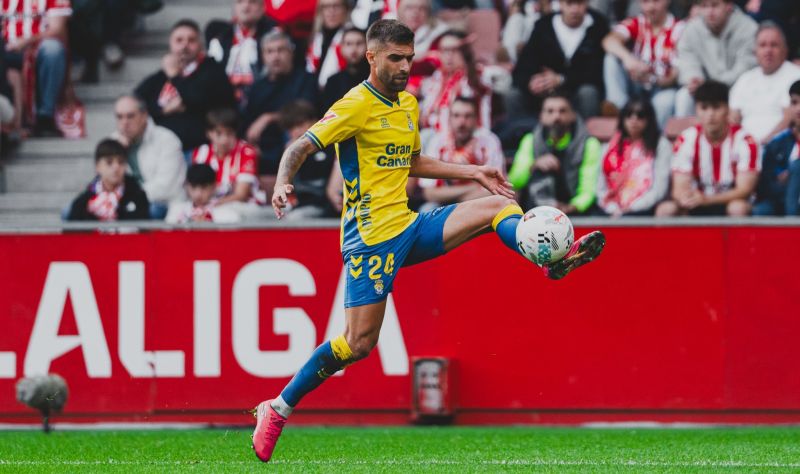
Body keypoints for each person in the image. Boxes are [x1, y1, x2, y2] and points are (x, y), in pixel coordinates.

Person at [251, 19, 606, 463]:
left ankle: (549, 259)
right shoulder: (354, 105)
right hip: (370, 241)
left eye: (409, 58)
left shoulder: (407, 104)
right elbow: (298, 148)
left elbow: (413, 161)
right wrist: (283, 182)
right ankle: (277, 408)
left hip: (408, 225)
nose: (404, 67)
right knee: (357, 345)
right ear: (372, 57)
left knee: (495, 205)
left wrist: (474, 172)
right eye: (395, 58)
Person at [656, 81, 761, 217]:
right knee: (666, 210)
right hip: (697, 202)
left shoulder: (745, 140)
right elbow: (678, 189)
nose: (710, 114)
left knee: (737, 208)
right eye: (704, 108)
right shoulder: (686, 139)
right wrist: (687, 198)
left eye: (716, 107)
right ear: (696, 110)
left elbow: (744, 189)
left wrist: (708, 200)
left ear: (727, 109)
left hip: (729, 202)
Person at [134, 19, 236, 153]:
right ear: (170, 44)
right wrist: (163, 111)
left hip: (199, 149)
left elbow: (197, 97)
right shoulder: (161, 76)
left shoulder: (213, 70)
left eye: (191, 40)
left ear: (200, 45)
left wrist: (174, 76)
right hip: (161, 150)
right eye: (179, 40)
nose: (185, 45)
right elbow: (136, 103)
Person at [241, 31, 318, 193]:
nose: (275, 56)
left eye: (281, 50)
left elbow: (305, 115)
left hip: (294, 141)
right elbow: (248, 126)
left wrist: (268, 118)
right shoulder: (257, 88)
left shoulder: (306, 79)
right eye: (270, 51)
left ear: (291, 53)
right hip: (265, 147)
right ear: (263, 56)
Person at [511, 0, 610, 119]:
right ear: (560, 4)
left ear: (587, 3)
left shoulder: (599, 26)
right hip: (545, 92)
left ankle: (585, 135)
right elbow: (524, 64)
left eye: (579, 3)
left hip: (577, 92)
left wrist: (562, 79)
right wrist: (532, 81)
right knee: (513, 94)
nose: (574, 10)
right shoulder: (544, 25)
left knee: (588, 92)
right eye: (569, 3)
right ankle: (520, 132)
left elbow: (598, 72)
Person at [507, 91, 602, 215]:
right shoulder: (530, 140)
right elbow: (514, 181)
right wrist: (534, 165)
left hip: (576, 213)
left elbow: (589, 189)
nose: (556, 117)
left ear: (573, 115)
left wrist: (572, 207)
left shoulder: (589, 144)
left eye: (562, 111)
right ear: (541, 115)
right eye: (550, 111)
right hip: (536, 213)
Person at [602, 0, 684, 128]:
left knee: (664, 103)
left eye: (656, 1)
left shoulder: (680, 28)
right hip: (636, 84)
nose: (651, 7)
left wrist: (653, 78)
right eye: (646, 1)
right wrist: (629, 60)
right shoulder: (636, 23)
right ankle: (618, 107)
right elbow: (608, 41)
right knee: (611, 59)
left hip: (663, 88)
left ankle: (653, 140)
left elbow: (676, 75)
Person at [419, 96, 506, 209]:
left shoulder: (488, 141)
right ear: (449, 118)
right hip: (446, 204)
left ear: (476, 119)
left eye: (468, 116)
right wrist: (473, 187)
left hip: (477, 204)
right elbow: (429, 193)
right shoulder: (439, 141)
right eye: (456, 115)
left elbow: (495, 189)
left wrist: (456, 203)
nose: (462, 122)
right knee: (427, 209)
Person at [674, 0, 758, 117]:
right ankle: (687, 135)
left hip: (737, 88)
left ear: (729, 6)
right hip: (704, 89)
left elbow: (746, 68)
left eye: (715, 5)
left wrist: (712, 86)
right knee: (684, 96)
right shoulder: (692, 28)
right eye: (704, 6)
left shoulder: (748, 27)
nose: (709, 12)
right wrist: (694, 79)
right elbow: (687, 59)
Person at [2, 0, 70, 136]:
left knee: (53, 49)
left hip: (38, 47)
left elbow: (57, 29)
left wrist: (25, 41)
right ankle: (12, 122)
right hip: (5, 48)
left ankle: (45, 116)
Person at [111, 95, 186, 220]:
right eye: (119, 117)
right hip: (127, 202)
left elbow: (165, 187)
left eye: (130, 116)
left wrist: (128, 197)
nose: (124, 122)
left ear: (144, 115)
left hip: (164, 204)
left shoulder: (167, 139)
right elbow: (104, 182)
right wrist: (118, 152)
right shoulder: (113, 142)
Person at [596, 98, 672, 217]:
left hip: (645, 208)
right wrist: (612, 208)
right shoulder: (609, 146)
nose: (634, 119)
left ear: (649, 119)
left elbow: (659, 189)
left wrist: (630, 208)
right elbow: (600, 187)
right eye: (629, 115)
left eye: (640, 115)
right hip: (610, 208)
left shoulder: (661, 144)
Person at [729, 22, 800, 144]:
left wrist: (763, 145)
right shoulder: (745, 79)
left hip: (779, 148)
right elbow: (732, 117)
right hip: (745, 150)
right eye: (762, 45)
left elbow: (790, 119)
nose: (768, 50)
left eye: (774, 45)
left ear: (785, 50)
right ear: (755, 51)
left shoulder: (795, 75)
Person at [192, 108, 267, 221]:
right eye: (219, 134)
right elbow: (197, 189)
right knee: (178, 213)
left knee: (223, 215)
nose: (224, 139)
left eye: (229, 133)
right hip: (210, 205)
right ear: (209, 133)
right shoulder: (201, 153)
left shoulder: (246, 152)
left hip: (246, 206)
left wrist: (210, 206)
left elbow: (241, 195)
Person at [418, 30, 492, 138]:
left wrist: (468, 61)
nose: (449, 56)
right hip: (435, 137)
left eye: (454, 50)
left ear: (464, 52)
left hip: (472, 138)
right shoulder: (437, 77)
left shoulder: (477, 74)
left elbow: (498, 78)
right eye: (444, 51)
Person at [206, 0, 280, 103]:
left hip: (264, 99)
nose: (246, 6)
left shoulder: (276, 35)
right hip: (225, 100)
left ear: (263, 8)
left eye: (252, 2)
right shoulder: (221, 37)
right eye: (240, 2)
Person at [277, 100, 337, 219]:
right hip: (297, 206)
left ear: (314, 121)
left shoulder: (331, 147)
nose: (297, 132)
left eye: (300, 125)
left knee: (293, 218)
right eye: (291, 129)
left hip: (324, 207)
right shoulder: (290, 152)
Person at [66, 139, 150, 221]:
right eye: (109, 162)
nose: (116, 167)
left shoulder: (138, 196)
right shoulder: (83, 203)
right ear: (97, 166)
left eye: (121, 162)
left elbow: (145, 231)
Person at [753, 80, 800, 216]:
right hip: (781, 200)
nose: (798, 109)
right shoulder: (776, 144)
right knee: (760, 211)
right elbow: (765, 186)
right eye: (794, 102)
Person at [165, 163, 240, 223]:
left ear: (214, 187)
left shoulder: (227, 212)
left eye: (204, 187)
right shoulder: (176, 210)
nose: (198, 194)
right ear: (187, 186)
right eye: (193, 187)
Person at [321, 26, 370, 112]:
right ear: (341, 48)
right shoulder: (333, 82)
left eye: (359, 43)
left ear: (367, 47)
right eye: (349, 44)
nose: (354, 49)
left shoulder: (376, 78)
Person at [306, 0, 351, 88]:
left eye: (336, 6)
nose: (331, 11)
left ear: (345, 9)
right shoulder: (315, 39)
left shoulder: (353, 38)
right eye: (326, 7)